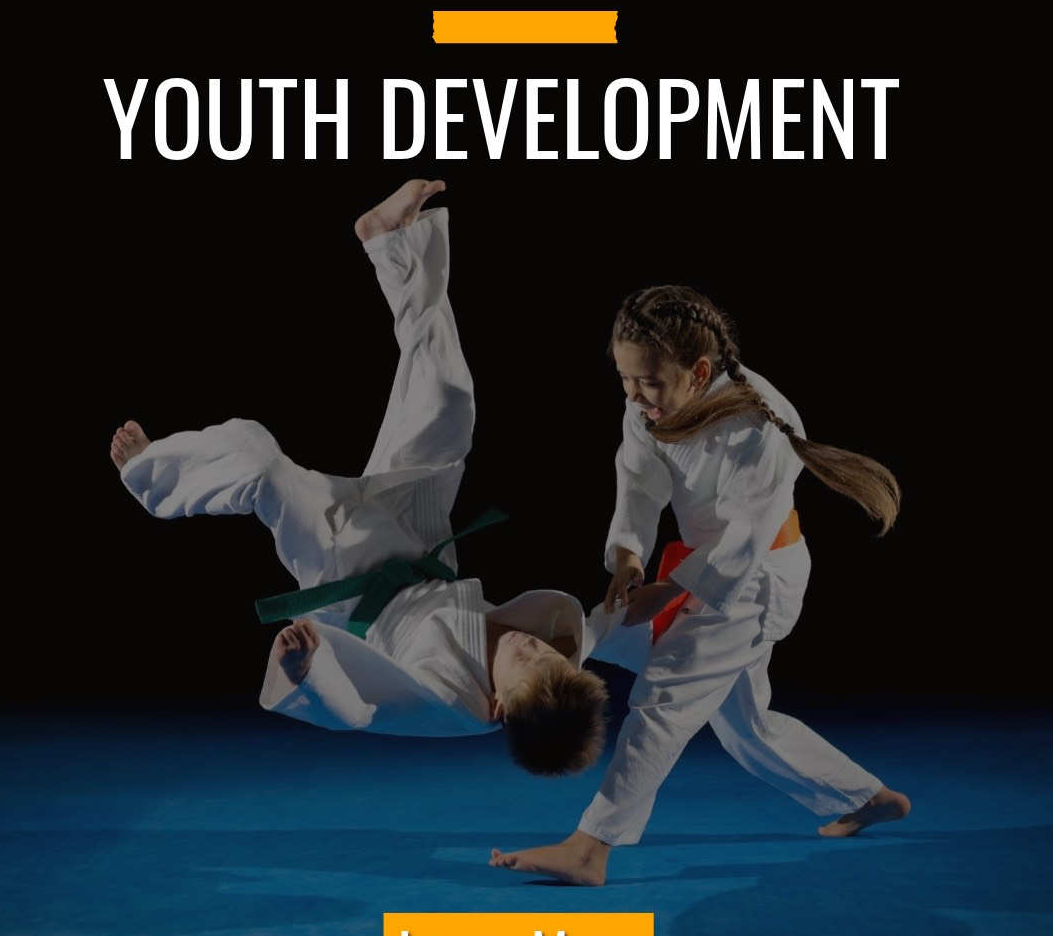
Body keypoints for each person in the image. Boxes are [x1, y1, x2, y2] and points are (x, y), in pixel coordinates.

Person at [110, 180, 642, 776]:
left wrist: (307, 674)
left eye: (527, 662)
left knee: (258, 461)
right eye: (548, 653)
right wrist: (660, 596)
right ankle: (391, 240)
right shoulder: (560, 663)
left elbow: (360, 711)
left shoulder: (447, 700)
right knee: (448, 400)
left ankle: (149, 474)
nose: (531, 647)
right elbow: (607, 628)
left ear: (497, 706)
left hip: (350, 579)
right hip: (417, 543)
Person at [490, 284, 911, 882]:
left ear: (700, 372)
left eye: (647, 382)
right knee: (745, 725)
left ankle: (591, 848)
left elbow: (746, 535)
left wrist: (668, 590)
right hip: (697, 569)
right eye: (624, 379)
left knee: (664, 697)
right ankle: (866, 798)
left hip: (754, 579)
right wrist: (629, 555)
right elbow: (638, 480)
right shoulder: (652, 402)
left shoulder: (760, 424)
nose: (633, 395)